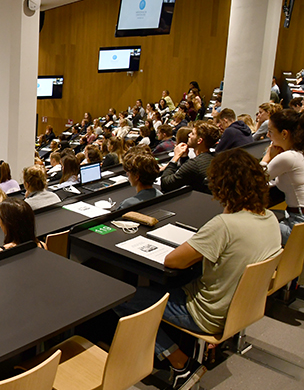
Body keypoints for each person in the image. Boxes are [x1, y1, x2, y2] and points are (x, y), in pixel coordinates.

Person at [114, 149, 282, 389]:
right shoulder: (270, 218)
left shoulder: (225, 225)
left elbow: (173, 261)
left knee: (122, 297)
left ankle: (180, 364)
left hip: (206, 313)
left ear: (222, 186)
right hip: (241, 308)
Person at [261, 109, 304, 245]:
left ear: (284, 133)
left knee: (251, 226)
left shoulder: (288, 157)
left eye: (271, 131)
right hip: (297, 217)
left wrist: (267, 157)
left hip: (297, 223)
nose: (268, 135)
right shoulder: (299, 153)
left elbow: (253, 179)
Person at [161, 121, 220, 194]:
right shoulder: (216, 157)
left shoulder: (195, 164)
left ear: (199, 140)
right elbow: (188, 174)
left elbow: (165, 183)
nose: (189, 135)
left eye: (192, 133)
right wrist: (184, 157)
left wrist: (175, 157)